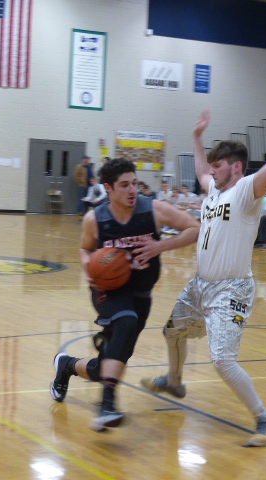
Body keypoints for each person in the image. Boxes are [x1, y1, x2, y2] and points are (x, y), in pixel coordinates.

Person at [141, 109, 266, 447]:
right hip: (201, 285)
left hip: (232, 289)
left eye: (218, 166)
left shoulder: (246, 190)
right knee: (172, 332)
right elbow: (201, 170)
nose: (211, 171)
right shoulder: (214, 190)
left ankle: (265, 419)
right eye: (212, 166)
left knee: (222, 360)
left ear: (237, 167)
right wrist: (197, 137)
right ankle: (174, 381)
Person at [50, 158, 200, 431]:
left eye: (134, 183)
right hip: (108, 292)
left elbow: (195, 228)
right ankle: (107, 405)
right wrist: (88, 266)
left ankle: (67, 365)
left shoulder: (154, 210)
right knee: (126, 321)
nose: (132, 190)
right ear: (108, 188)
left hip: (141, 294)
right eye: (124, 185)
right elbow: (85, 249)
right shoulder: (95, 219)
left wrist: (160, 246)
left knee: (109, 363)